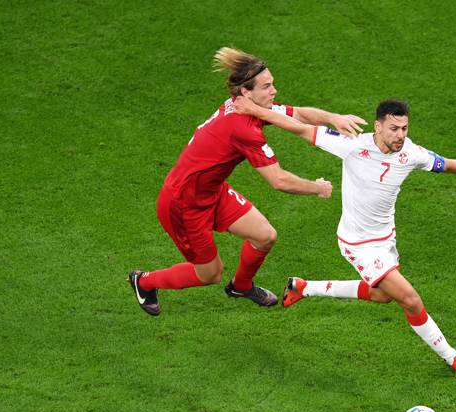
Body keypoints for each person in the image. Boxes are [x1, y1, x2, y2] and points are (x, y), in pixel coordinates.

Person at [232, 97, 456, 376]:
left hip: (385, 241)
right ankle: (453, 357)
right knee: (410, 300)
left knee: (382, 295)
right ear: (378, 126)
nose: (400, 136)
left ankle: (303, 288)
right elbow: (299, 127)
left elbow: (446, 164)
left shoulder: (411, 153)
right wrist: (254, 110)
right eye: (394, 129)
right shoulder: (354, 145)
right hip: (357, 244)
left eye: (404, 128)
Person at [128, 47, 366, 315]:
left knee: (265, 236)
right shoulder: (243, 128)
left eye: (272, 84)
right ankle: (144, 281)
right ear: (246, 93)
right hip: (183, 205)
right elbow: (278, 180)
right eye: (266, 87)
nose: (274, 91)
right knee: (210, 274)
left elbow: (296, 113)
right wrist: (317, 187)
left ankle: (241, 286)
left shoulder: (246, 107)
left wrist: (333, 118)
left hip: (211, 192)